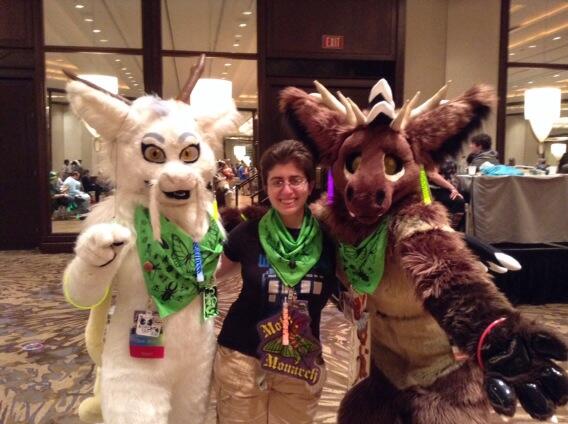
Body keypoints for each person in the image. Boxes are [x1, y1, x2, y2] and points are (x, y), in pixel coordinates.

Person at [214, 140, 337, 424]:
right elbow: (205, 276)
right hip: (242, 358)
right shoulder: (249, 232)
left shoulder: (329, 238)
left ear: (309, 183)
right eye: (276, 181)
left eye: (295, 180)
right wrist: (193, 245)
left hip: (300, 361)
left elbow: (360, 285)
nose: (286, 190)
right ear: (267, 187)